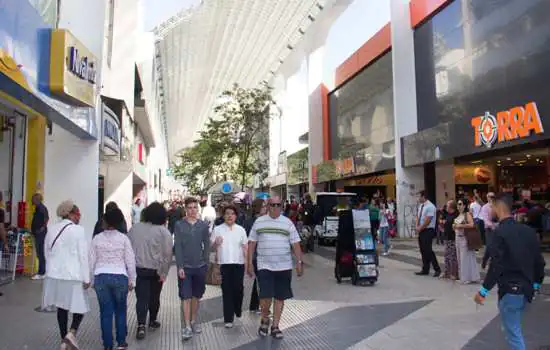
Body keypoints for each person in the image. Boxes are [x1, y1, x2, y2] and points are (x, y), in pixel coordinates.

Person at [474, 193, 545, 350]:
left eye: (492, 206)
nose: (490, 210)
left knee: (513, 334)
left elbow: (496, 265)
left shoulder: (499, 233)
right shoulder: (528, 232)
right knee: (512, 330)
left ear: (499, 207)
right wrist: (535, 285)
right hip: (526, 290)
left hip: (510, 290)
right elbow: (539, 262)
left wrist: (483, 290)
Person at [247, 196, 303, 339]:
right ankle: (265, 318)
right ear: (268, 206)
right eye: (272, 205)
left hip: (284, 266)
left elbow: (295, 244)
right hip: (264, 266)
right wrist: (248, 264)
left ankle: (275, 325)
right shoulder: (259, 222)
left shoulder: (288, 223)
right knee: (265, 297)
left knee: (279, 297)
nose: (275, 208)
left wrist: (299, 262)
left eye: (278, 205)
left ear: (282, 206)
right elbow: (251, 244)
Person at [42, 201, 89, 350]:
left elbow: (46, 252)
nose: (79, 217)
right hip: (73, 275)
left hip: (55, 275)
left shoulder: (51, 229)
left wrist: (51, 268)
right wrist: (87, 277)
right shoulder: (78, 231)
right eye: (78, 214)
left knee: (62, 307)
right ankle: (71, 332)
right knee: (80, 307)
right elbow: (83, 255)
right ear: (70, 214)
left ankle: (64, 339)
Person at [89, 208, 136, 350]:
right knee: (121, 310)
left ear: (105, 221)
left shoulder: (97, 238)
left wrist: (91, 279)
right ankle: (121, 342)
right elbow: (130, 261)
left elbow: (91, 260)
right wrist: (132, 280)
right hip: (120, 277)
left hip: (101, 277)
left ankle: (108, 345)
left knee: (105, 312)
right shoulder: (124, 239)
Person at [127, 202, 173, 340]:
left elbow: (128, 250)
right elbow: (167, 254)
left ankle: (141, 325)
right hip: (156, 271)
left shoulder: (135, 228)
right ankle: (152, 320)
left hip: (138, 269)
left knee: (141, 298)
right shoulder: (164, 231)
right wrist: (164, 273)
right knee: (154, 296)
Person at [174, 197, 211, 341]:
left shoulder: (203, 225)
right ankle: (187, 326)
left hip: (200, 266)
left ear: (198, 209)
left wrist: (206, 262)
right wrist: (180, 266)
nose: (192, 210)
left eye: (195, 207)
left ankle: (194, 320)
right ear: (185, 209)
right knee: (186, 297)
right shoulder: (179, 225)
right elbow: (177, 246)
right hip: (186, 268)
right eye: (189, 207)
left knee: (197, 296)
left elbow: (206, 244)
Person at [211, 204, 248, 328]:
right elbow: (212, 247)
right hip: (224, 264)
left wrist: (248, 264)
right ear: (223, 216)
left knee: (238, 289)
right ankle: (228, 318)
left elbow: (245, 247)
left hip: (239, 264)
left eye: (232, 213)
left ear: (236, 216)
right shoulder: (217, 229)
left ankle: (237, 308)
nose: (229, 216)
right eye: (227, 213)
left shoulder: (241, 230)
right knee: (226, 291)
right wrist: (216, 243)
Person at [244, 199, 266, 313]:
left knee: (259, 280)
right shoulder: (250, 222)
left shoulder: (266, 221)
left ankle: (254, 305)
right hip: (255, 256)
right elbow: (247, 241)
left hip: (264, 255)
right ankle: (261, 306)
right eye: (263, 206)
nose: (265, 208)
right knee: (261, 280)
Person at [453, 198, 481, 284]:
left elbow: (472, 224)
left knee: (465, 258)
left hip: (464, 238)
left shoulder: (467, 214)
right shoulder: (459, 215)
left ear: (464, 205)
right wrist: (454, 226)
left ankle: (466, 278)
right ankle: (464, 276)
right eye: (458, 204)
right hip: (458, 237)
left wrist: (461, 225)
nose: (458, 206)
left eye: (460, 204)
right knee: (460, 258)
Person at [415, 191, 441, 277]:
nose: (418, 198)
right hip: (422, 230)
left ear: (424, 197)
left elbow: (428, 220)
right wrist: (417, 226)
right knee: (423, 250)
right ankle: (425, 269)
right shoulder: (421, 206)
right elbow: (418, 217)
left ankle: (437, 269)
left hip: (428, 230)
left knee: (428, 250)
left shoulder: (430, 206)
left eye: (419, 196)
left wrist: (420, 227)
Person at [31, 193, 49, 280]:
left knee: (40, 253)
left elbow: (46, 219)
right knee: (40, 253)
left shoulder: (42, 208)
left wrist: (41, 229)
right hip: (37, 234)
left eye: (33, 199)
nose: (32, 200)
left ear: (37, 199)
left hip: (40, 234)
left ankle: (41, 273)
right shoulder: (38, 208)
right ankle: (42, 272)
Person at [441, 200, 459, 280]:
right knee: (446, 255)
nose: (446, 206)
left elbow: (456, 226)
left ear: (451, 207)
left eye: (447, 205)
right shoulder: (447, 214)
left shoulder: (456, 215)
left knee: (453, 256)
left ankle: (454, 274)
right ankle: (447, 272)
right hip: (447, 237)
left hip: (453, 238)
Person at [481, 192, 498, 269]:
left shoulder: (498, 206)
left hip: (498, 228)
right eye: (489, 196)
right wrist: (492, 225)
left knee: (495, 246)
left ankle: (492, 262)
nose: (491, 198)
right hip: (489, 229)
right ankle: (486, 260)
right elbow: (485, 220)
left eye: (493, 196)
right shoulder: (485, 207)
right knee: (490, 246)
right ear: (487, 197)